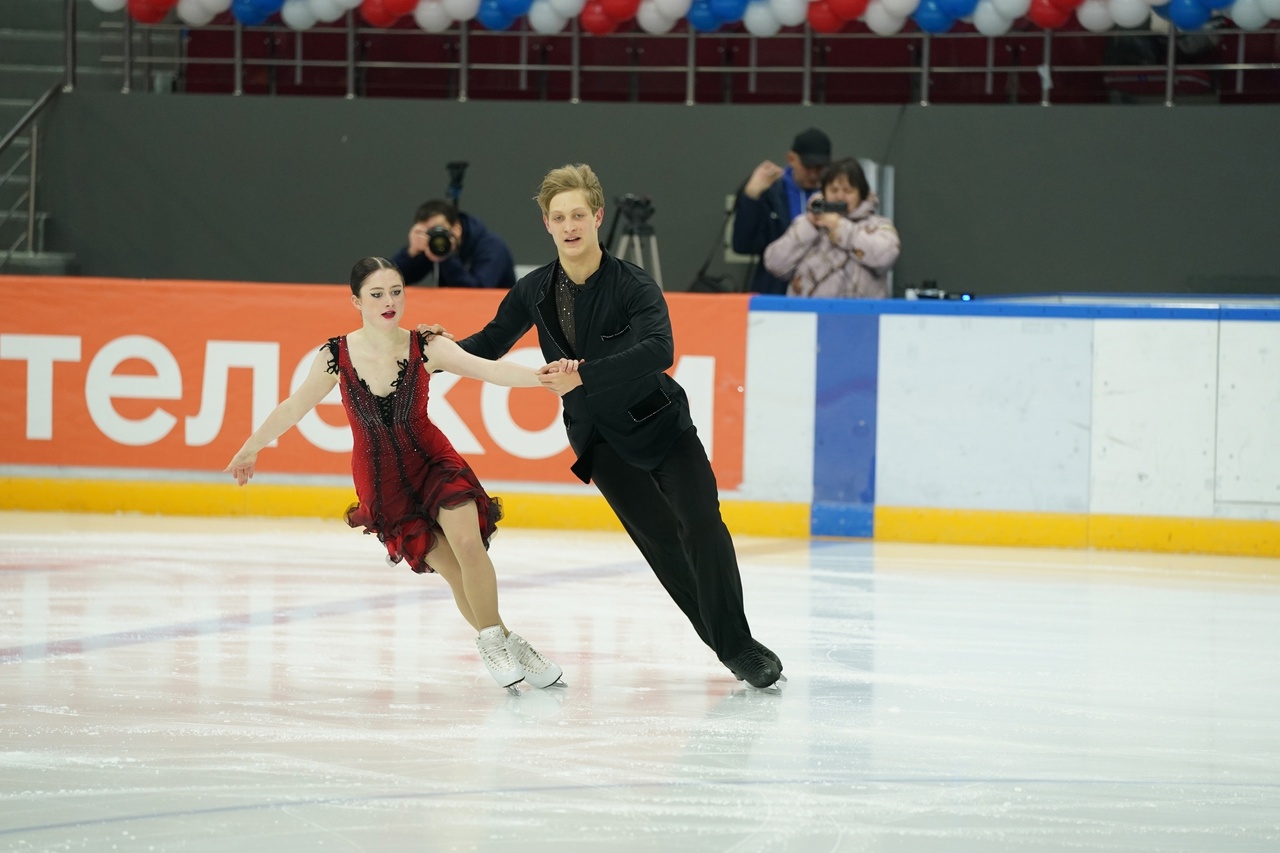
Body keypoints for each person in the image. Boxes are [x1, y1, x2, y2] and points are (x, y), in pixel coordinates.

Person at [423, 164, 784, 690]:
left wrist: (584, 376)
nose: (569, 226)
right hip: (601, 440)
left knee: (703, 526)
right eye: (559, 217)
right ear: (547, 224)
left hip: (662, 426)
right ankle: (734, 647)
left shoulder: (632, 284)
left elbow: (660, 349)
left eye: (578, 215)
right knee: (663, 545)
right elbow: (492, 342)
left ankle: (738, 644)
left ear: (597, 217)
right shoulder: (534, 290)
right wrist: (432, 352)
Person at [225, 257, 564, 691]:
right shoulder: (335, 356)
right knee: (453, 571)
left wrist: (544, 378)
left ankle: (493, 642)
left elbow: (491, 370)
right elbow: (294, 407)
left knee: (468, 544)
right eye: (377, 294)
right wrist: (251, 447)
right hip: (382, 481)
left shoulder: (427, 345)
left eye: (397, 292)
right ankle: (507, 641)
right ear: (356, 301)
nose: (389, 302)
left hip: (432, 459)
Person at [763, 158, 901, 299]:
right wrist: (809, 227)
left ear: (861, 194)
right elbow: (774, 264)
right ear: (823, 192)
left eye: (848, 190)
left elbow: (885, 257)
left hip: (861, 311)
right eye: (833, 190)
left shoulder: (879, 225)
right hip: (809, 311)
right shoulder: (806, 222)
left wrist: (840, 227)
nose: (840, 196)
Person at [731, 127, 831, 295]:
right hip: (775, 290)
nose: (814, 174)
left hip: (824, 291)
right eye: (808, 166)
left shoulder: (837, 194)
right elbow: (743, 244)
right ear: (791, 159)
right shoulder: (771, 191)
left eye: (820, 167)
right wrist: (751, 196)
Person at [391, 200, 516, 289]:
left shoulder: (492, 247)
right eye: (428, 232)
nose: (436, 238)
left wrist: (446, 258)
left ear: (456, 229)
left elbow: (478, 293)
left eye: (439, 230)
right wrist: (410, 253)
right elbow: (391, 283)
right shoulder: (432, 246)